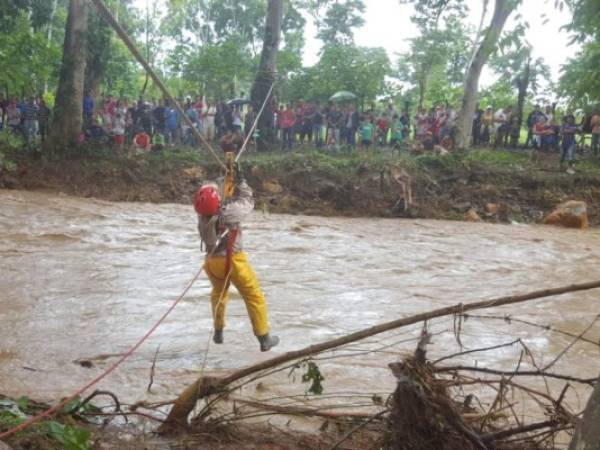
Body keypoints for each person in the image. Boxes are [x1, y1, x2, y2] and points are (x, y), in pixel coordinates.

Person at [194, 155, 279, 351]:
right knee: (254, 296)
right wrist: (241, 181)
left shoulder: (202, 215)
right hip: (234, 261)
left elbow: (214, 195)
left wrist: (227, 176)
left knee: (218, 293)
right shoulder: (228, 212)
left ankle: (218, 331)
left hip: (211, 263)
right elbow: (248, 202)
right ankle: (264, 338)